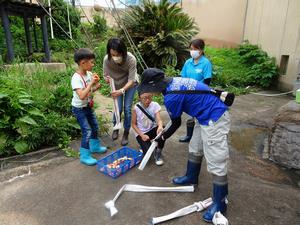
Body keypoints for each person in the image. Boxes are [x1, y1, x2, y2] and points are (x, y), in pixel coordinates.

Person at [138, 68, 230, 223]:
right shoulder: (173, 81)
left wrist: (161, 138)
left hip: (215, 117)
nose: (149, 93)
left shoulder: (172, 97)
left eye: (148, 89)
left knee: (217, 160)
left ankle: (220, 203)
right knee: (195, 147)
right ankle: (191, 177)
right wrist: (162, 134)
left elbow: (176, 122)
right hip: (203, 116)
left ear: (154, 86)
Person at [71, 48, 107, 166]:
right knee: (87, 130)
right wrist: (91, 83)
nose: (93, 64)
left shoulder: (89, 74)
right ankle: (84, 156)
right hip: (79, 109)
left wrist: (97, 85)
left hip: (87, 106)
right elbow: (81, 95)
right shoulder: (76, 78)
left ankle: (94, 147)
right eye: (91, 62)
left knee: (95, 126)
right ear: (83, 63)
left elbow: (89, 92)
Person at [103, 38, 138, 146]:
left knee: (127, 108)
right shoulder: (107, 60)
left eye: (117, 54)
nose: (115, 57)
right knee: (117, 108)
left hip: (130, 84)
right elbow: (105, 75)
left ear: (123, 51)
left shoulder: (131, 59)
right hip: (116, 85)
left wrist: (122, 90)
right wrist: (107, 79)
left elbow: (132, 80)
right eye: (112, 54)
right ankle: (116, 127)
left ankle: (126, 132)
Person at [179, 38, 212, 142]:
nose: (192, 51)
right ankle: (189, 136)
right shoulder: (188, 62)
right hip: (188, 93)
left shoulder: (206, 63)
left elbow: (207, 80)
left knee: (199, 116)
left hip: (200, 94)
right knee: (189, 116)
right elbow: (182, 77)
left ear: (201, 50)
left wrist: (200, 91)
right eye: (191, 49)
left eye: (194, 49)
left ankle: (199, 137)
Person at [131, 91, 165, 166]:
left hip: (152, 129)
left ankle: (158, 153)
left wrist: (160, 126)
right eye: (144, 98)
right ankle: (144, 144)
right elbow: (133, 124)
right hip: (141, 133)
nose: (147, 100)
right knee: (148, 153)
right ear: (139, 98)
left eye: (149, 97)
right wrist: (142, 135)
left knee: (163, 131)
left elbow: (159, 120)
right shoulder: (136, 108)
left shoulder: (155, 105)